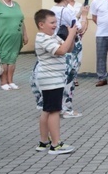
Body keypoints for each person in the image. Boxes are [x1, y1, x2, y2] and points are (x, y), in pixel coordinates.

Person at [33, 9, 77, 155]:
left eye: (55, 22)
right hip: (51, 80)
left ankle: (43, 141)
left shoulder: (52, 37)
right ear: (41, 24)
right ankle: (55, 144)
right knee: (54, 111)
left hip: (54, 79)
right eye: (51, 23)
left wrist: (73, 34)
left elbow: (68, 47)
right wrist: (71, 34)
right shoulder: (42, 38)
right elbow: (61, 51)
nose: (54, 25)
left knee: (47, 110)